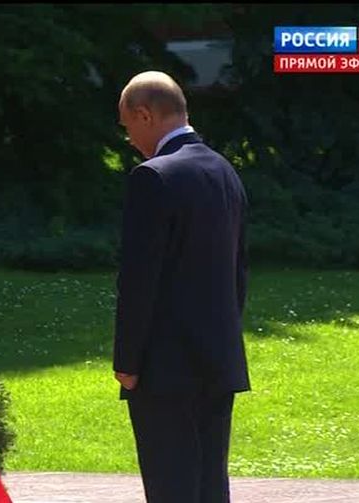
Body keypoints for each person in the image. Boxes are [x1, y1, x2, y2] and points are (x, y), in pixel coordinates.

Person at [112, 71, 251, 503]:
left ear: (145, 114)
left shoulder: (152, 176)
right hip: (218, 357)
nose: (130, 137)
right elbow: (237, 272)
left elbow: (139, 279)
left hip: (165, 366)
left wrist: (127, 362)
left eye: (128, 125)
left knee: (171, 486)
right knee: (211, 486)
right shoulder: (225, 171)